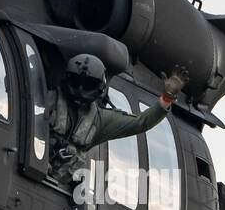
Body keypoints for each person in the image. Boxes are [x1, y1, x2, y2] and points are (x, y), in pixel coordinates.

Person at [48, 55, 186, 177]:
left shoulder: (99, 120)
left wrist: (167, 98)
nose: (80, 89)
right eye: (76, 82)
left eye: (88, 85)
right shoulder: (48, 99)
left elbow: (141, 123)